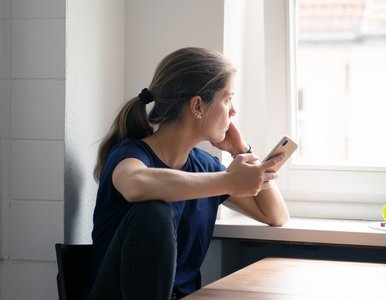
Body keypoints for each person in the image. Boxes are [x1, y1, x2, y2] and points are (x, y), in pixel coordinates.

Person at [84, 47, 290, 300]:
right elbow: (135, 184)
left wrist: (242, 150)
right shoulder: (131, 154)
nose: (233, 111)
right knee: (153, 211)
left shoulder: (205, 167)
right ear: (197, 106)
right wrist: (227, 181)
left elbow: (275, 215)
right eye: (227, 99)